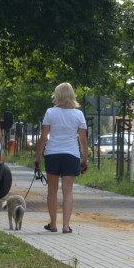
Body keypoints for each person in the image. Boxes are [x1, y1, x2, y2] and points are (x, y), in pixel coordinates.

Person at [34, 83, 88, 233]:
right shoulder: (79, 114)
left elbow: (43, 137)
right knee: (68, 190)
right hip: (71, 155)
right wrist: (85, 159)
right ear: (72, 95)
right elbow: (82, 140)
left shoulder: (50, 112)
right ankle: (66, 225)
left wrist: (38, 156)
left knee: (52, 190)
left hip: (53, 154)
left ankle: (53, 224)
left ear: (57, 95)